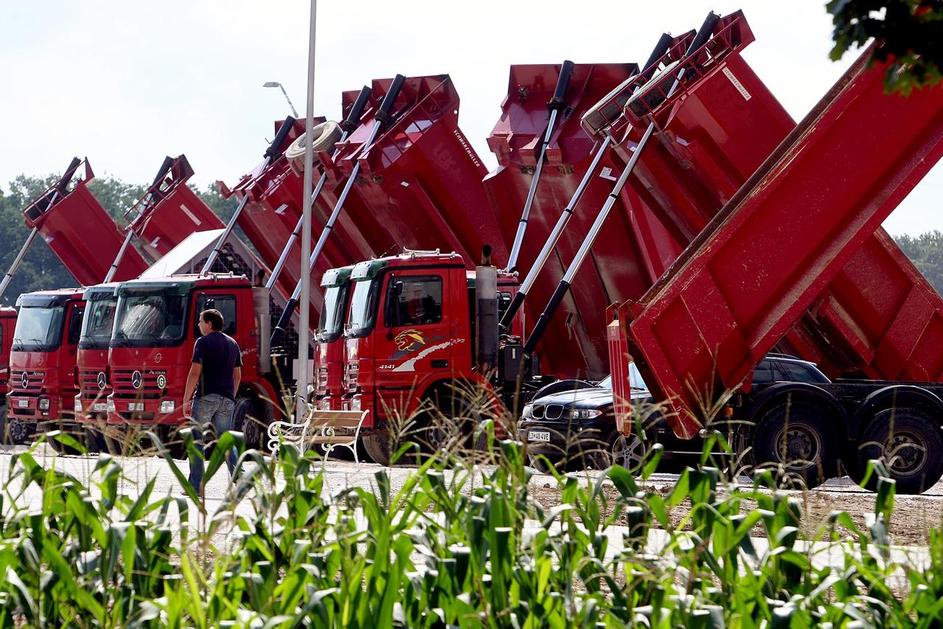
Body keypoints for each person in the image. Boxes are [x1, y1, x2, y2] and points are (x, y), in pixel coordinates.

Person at [183, 308, 242, 495]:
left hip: (206, 397)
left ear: (209, 323)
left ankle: (196, 486)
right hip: (227, 399)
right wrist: (230, 395)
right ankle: (240, 481)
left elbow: (194, 372)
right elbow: (238, 376)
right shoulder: (233, 343)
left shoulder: (202, 342)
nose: (198, 325)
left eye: (200, 321)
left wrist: (186, 399)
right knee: (226, 441)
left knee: (197, 441)